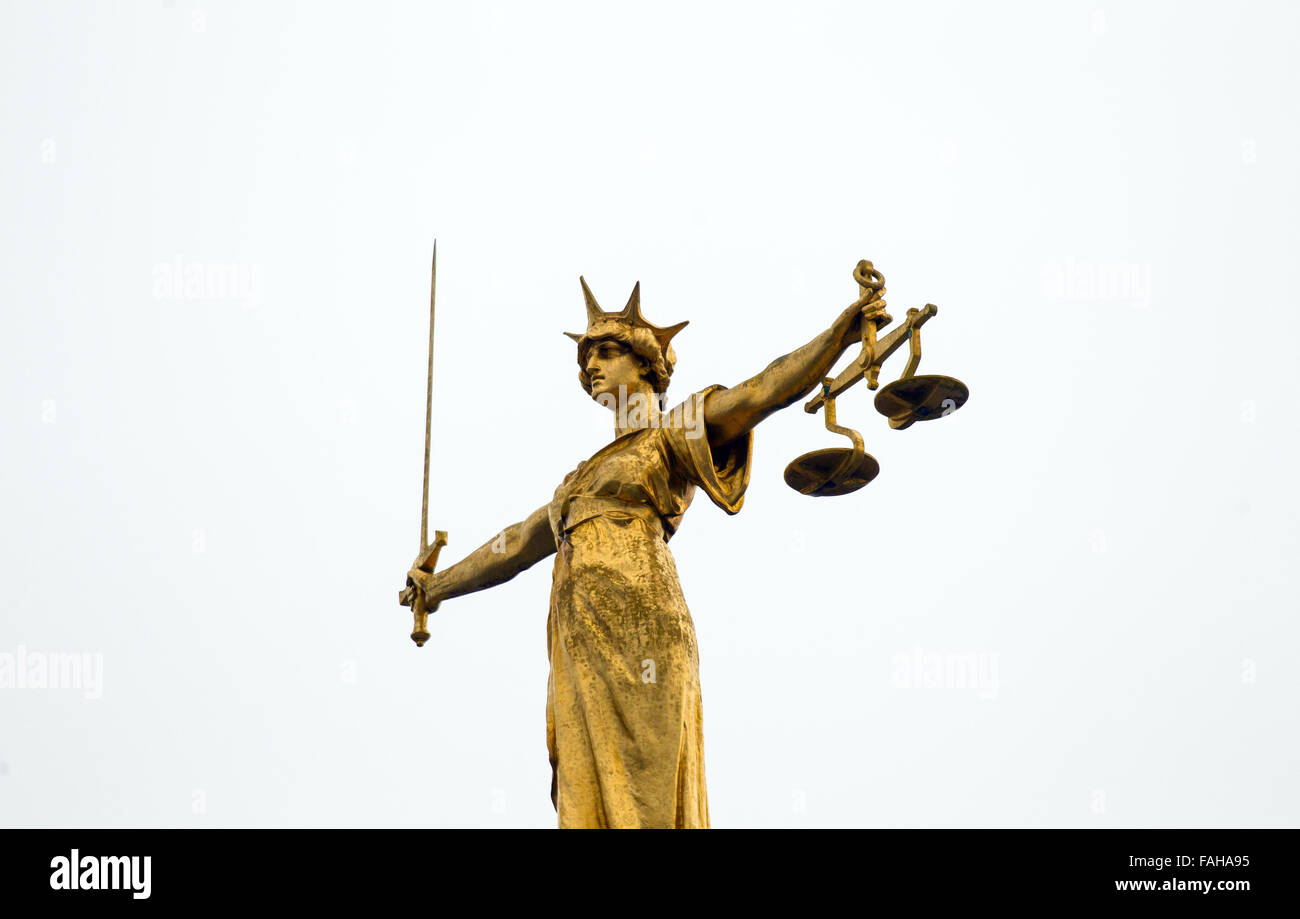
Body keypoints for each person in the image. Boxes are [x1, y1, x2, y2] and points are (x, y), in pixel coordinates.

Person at [405, 276, 881, 828]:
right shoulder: (578, 480)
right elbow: (514, 544)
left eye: (607, 352)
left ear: (647, 364)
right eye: (586, 358)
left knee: (648, 790)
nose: (591, 366)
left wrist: (838, 336)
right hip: (582, 632)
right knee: (589, 796)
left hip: (643, 619)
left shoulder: (671, 433)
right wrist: (439, 587)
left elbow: (761, 392)